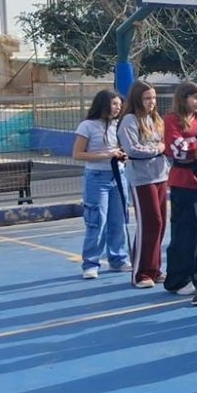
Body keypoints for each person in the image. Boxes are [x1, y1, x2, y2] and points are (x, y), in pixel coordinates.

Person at [162, 81, 197, 305]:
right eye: (193, 97)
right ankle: (178, 278)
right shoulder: (172, 120)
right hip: (183, 182)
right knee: (185, 232)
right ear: (183, 98)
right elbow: (176, 148)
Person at [73, 89, 131, 279]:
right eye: (114, 104)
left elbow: (123, 148)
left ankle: (118, 259)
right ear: (104, 104)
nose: (118, 108)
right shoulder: (87, 126)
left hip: (118, 176)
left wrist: (123, 155)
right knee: (97, 221)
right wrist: (107, 155)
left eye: (119, 105)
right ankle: (90, 262)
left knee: (118, 220)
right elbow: (78, 154)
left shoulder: (119, 125)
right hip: (97, 177)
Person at [118, 80, 170, 289]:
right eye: (147, 98)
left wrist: (162, 148)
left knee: (161, 224)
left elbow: (164, 142)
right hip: (142, 178)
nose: (152, 102)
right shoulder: (130, 120)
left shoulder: (155, 119)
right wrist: (158, 149)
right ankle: (140, 272)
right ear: (138, 99)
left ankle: (155, 268)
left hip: (160, 176)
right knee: (151, 222)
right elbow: (133, 149)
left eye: (154, 98)